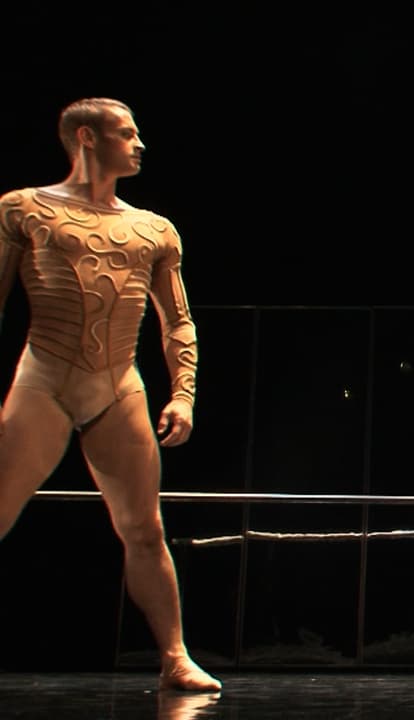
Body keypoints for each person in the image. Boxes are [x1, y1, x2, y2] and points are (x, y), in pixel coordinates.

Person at [0, 98, 220, 691]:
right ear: (86, 138)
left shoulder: (153, 228)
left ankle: (175, 655)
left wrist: (183, 394)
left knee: (145, 529)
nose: (139, 143)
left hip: (118, 384)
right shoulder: (25, 208)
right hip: (44, 378)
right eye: (126, 133)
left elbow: (177, 321)